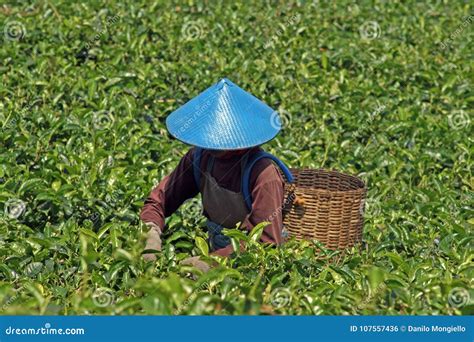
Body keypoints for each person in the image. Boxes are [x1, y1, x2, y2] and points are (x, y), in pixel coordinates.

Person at [140, 78, 293, 268]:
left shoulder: (264, 175)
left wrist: (210, 263)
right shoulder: (199, 157)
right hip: (216, 249)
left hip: (251, 267)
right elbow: (158, 201)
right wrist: (151, 233)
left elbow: (266, 245)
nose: (211, 147)